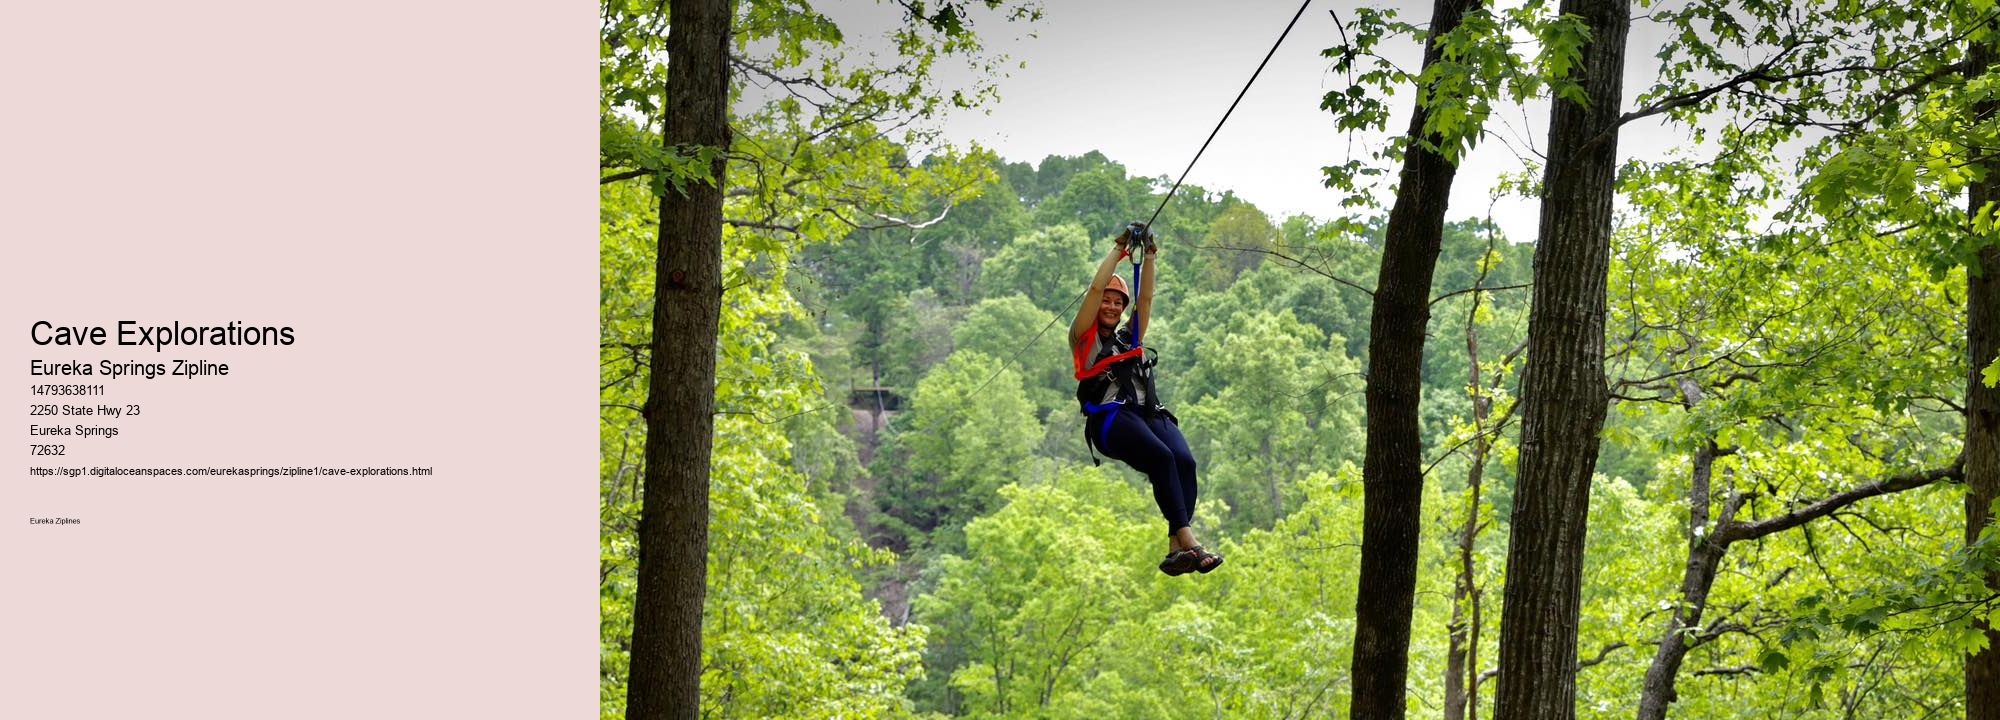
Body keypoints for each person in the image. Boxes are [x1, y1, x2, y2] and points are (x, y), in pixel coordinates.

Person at [1070, 225, 1222, 576]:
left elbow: (1147, 300)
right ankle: (1191, 542)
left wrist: (1150, 256)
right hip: (1110, 419)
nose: (1110, 306)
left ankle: (1175, 549)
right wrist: (1120, 250)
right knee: (1161, 457)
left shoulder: (1129, 337)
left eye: (1116, 302)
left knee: (1184, 462)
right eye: (1106, 301)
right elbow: (1094, 289)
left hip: (1145, 414)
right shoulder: (1083, 338)